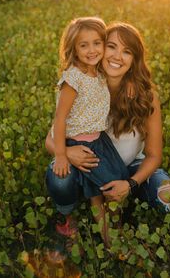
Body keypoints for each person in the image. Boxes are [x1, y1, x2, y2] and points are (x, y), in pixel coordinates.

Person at [46, 21, 170, 240]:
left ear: (134, 60)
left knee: (169, 196)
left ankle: (124, 202)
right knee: (60, 178)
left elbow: (154, 155)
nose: (118, 56)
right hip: (87, 162)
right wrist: (68, 154)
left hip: (131, 170)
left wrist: (130, 183)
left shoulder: (145, 96)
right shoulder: (88, 85)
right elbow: (51, 137)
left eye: (127, 52)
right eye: (112, 46)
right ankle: (68, 214)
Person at [46, 17, 129, 245]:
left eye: (96, 43)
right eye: (84, 45)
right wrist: (62, 154)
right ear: (74, 48)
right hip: (79, 143)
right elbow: (60, 119)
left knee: (101, 190)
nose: (92, 50)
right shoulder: (73, 79)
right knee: (109, 185)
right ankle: (106, 235)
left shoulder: (99, 73)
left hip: (100, 141)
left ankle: (109, 236)